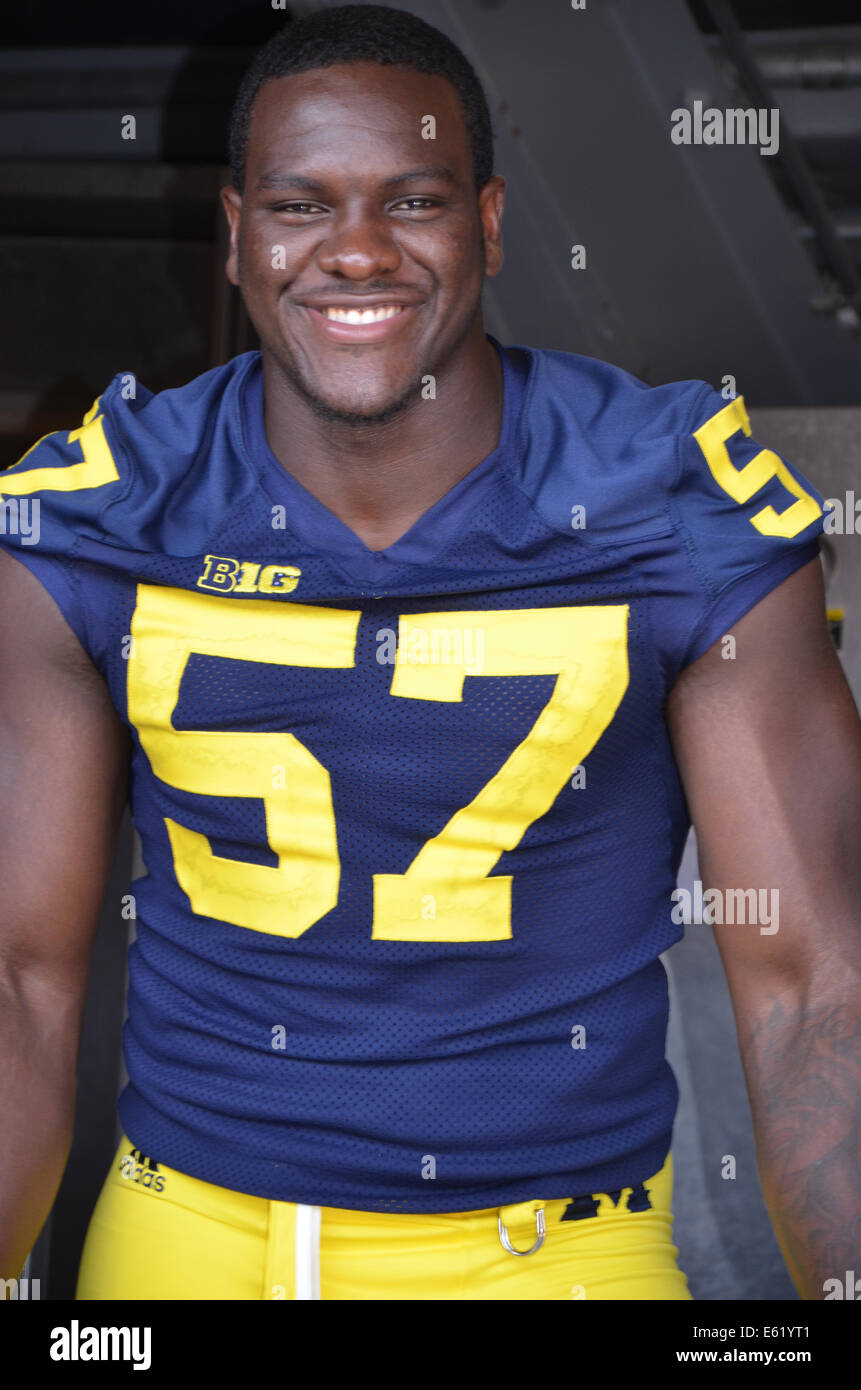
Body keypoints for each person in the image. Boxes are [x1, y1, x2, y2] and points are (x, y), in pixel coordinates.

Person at [0, 4, 858, 1302]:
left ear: (491, 223)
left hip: (555, 1250)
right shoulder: (102, 512)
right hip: (184, 1241)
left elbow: (817, 986)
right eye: (300, 205)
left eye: (410, 202)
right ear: (235, 235)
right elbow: (15, 977)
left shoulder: (668, 501)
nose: (354, 252)